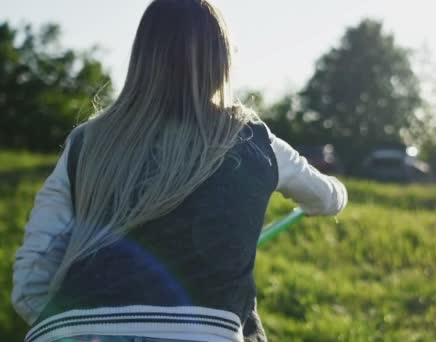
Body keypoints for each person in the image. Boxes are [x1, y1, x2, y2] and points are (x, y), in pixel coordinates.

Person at [12, 1, 348, 342]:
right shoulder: (254, 140)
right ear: (221, 61)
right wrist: (336, 192)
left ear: (142, 57)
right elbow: (328, 198)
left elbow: (29, 283)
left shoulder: (85, 142)